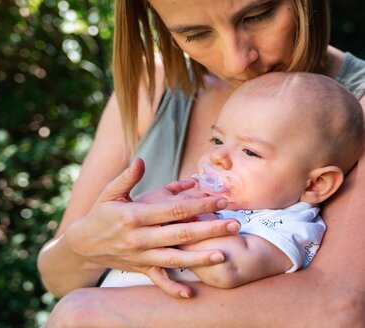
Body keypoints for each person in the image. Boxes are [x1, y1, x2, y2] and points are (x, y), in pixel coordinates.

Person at [38, 0, 365, 326]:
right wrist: (91, 243)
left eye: (258, 15)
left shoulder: (352, 114)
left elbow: (340, 308)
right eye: (195, 34)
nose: (237, 62)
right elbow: (58, 279)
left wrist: (86, 312)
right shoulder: (151, 86)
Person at [100, 72, 364, 290]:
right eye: (217, 140)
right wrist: (147, 210)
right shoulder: (208, 197)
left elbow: (227, 268)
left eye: (250, 152)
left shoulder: (290, 226)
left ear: (314, 185)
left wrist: (185, 217)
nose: (218, 158)